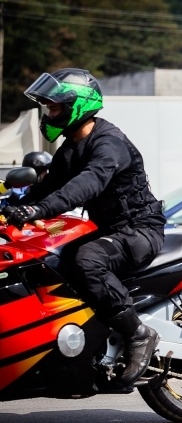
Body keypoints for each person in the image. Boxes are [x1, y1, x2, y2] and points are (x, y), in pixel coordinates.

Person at [10, 68, 165, 386]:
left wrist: (40, 209)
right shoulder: (70, 149)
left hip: (139, 229)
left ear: (76, 106)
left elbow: (88, 184)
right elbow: (47, 189)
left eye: (54, 107)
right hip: (110, 230)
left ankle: (138, 334)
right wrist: (12, 209)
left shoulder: (110, 143)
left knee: (87, 260)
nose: (49, 114)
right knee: (49, 260)